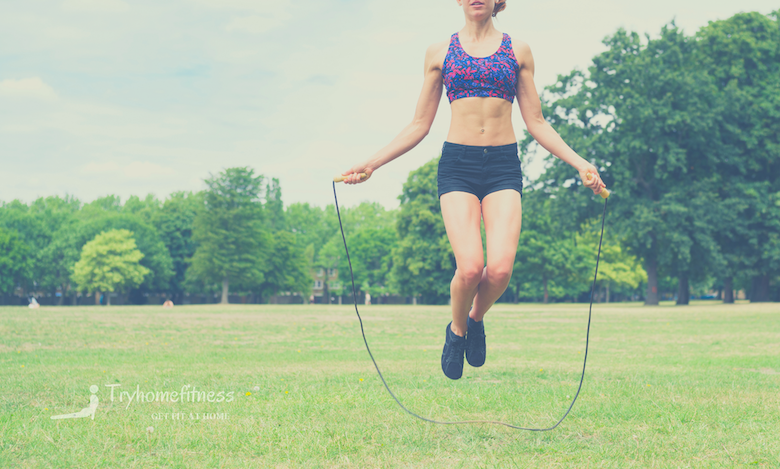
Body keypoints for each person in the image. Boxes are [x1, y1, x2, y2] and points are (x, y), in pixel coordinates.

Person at [341, 0, 606, 380]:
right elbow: (419, 124)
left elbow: (536, 122)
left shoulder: (518, 51)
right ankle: (457, 330)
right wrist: (371, 163)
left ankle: (475, 318)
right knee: (469, 268)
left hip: (502, 166)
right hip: (458, 167)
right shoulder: (439, 52)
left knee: (499, 270)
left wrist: (581, 163)